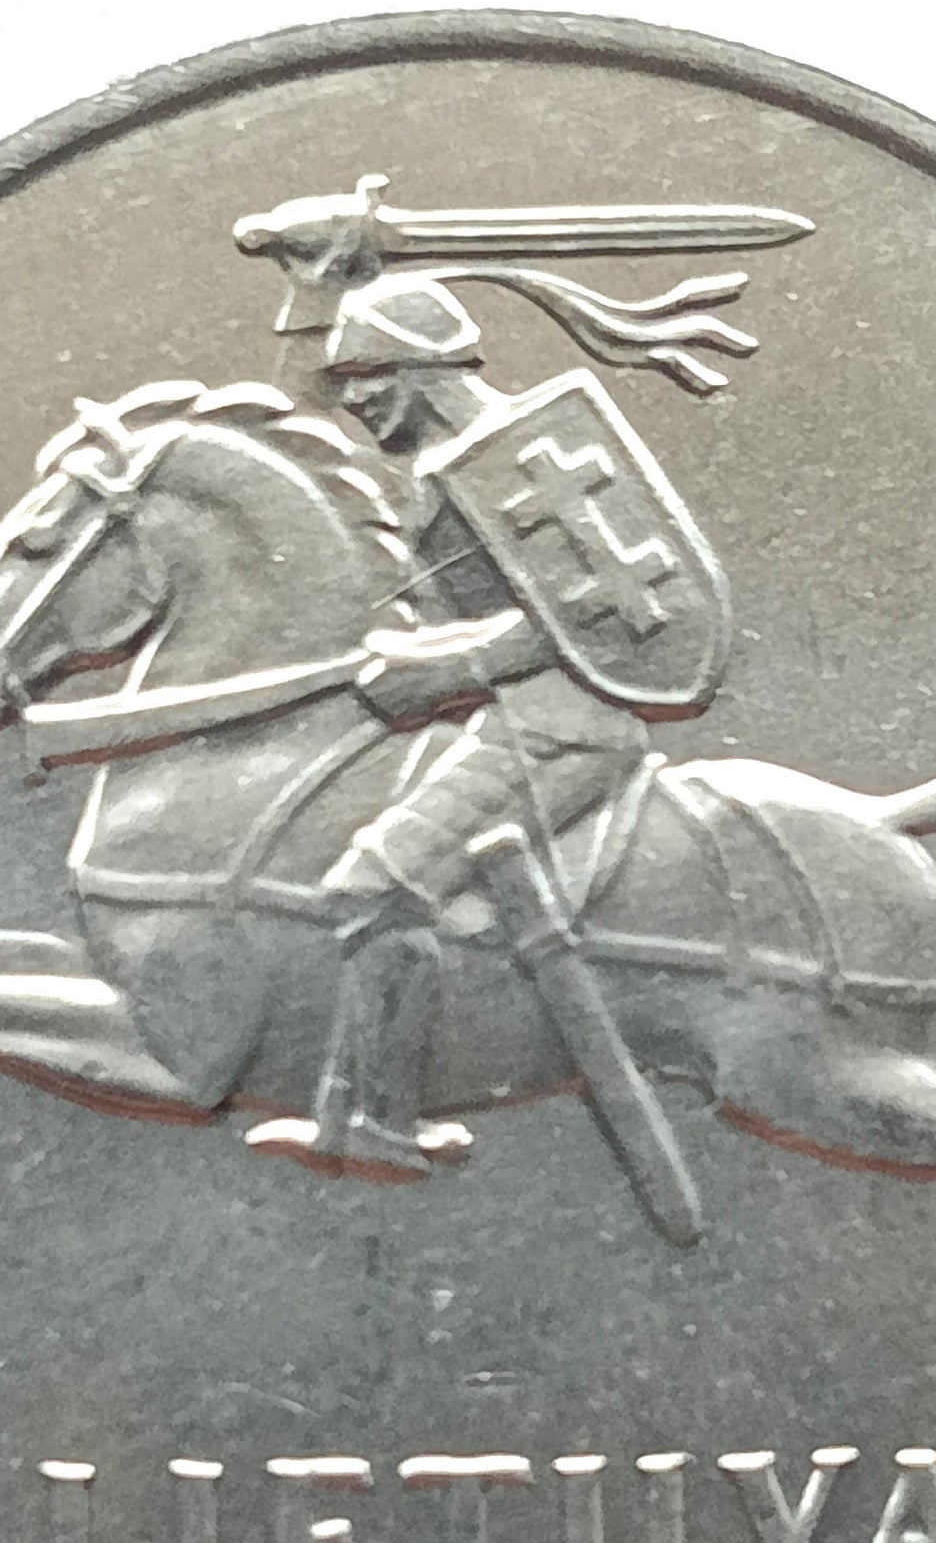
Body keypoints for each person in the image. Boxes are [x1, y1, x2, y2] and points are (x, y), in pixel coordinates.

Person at [245, 272, 726, 1180]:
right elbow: (519, 610)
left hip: (565, 729)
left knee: (373, 885)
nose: (353, 401)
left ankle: (384, 1123)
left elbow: (575, 618)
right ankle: (347, 1111)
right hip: (517, 717)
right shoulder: (456, 465)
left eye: (366, 377)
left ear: (420, 370)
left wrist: (444, 670)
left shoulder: (500, 461)